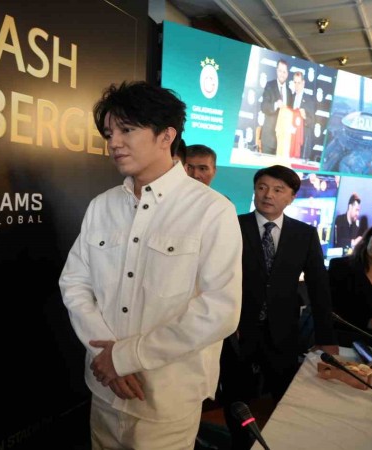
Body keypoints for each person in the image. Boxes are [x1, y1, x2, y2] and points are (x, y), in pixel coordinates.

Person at [59, 81, 242, 449]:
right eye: (109, 133)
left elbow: (220, 310)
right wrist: (106, 356)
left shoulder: (212, 210)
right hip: (104, 389)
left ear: (166, 136)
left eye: (127, 130)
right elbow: (75, 284)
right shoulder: (102, 206)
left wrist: (126, 357)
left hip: (166, 398)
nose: (114, 143)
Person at [219, 164, 337, 450]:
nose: (268, 195)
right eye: (262, 188)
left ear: (291, 197)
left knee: (286, 397)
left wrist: (326, 338)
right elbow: (217, 279)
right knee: (237, 399)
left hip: (283, 332)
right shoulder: (233, 226)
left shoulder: (304, 234)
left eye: (277, 190)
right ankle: (241, 446)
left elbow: (319, 288)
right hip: (237, 332)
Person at [260, 59, 289, 155]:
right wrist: (276, 105)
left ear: (287, 74)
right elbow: (264, 107)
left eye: (284, 72)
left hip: (283, 143)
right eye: (280, 71)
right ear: (277, 71)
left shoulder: (289, 92)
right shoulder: (269, 85)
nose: (282, 74)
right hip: (269, 140)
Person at [288, 71, 316, 162]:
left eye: (299, 83)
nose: (297, 85)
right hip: (290, 140)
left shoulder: (309, 100)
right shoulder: (290, 98)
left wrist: (305, 117)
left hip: (302, 142)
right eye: (295, 82)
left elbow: (312, 122)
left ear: (303, 83)